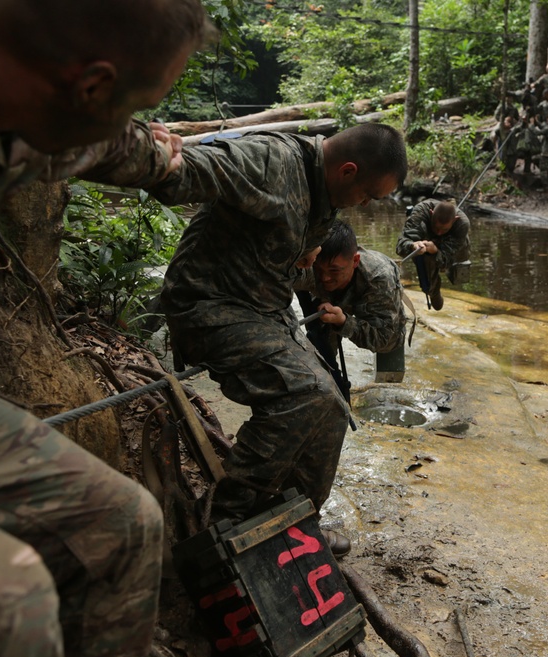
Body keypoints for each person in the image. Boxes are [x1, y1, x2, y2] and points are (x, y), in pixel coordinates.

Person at [0, 1, 214, 657]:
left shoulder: (35, 106)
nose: (128, 124)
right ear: (91, 86)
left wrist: (161, 153)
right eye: (132, 105)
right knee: (2, 601)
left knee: (126, 524)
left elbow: (115, 145)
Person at [149, 123, 408, 554]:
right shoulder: (274, 162)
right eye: (368, 195)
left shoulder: (325, 196)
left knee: (332, 404)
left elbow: (384, 336)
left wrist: (306, 249)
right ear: (346, 171)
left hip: (263, 312)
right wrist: (160, 154)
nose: (364, 205)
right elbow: (190, 170)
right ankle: (224, 520)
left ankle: (299, 519)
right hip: (208, 305)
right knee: (304, 393)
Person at [295, 221, 407, 398]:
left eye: (334, 270)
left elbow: (384, 340)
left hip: (364, 293)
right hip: (324, 301)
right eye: (319, 269)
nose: (325, 277)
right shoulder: (308, 262)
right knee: (320, 349)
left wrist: (344, 322)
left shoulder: (378, 278)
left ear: (355, 261)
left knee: (391, 341)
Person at [395, 199, 471, 311]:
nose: (439, 232)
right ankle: (433, 291)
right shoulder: (420, 212)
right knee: (424, 259)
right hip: (424, 238)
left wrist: (436, 250)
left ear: (455, 220)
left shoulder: (462, 224)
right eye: (437, 227)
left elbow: (448, 257)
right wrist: (412, 245)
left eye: (444, 229)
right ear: (431, 214)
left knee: (458, 260)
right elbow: (400, 246)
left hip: (451, 243)